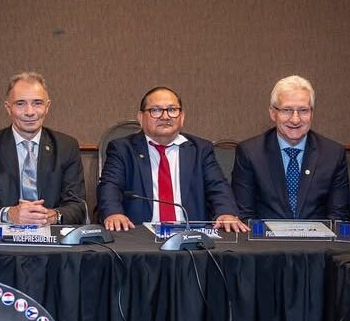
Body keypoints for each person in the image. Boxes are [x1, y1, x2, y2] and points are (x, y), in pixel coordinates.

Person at [96, 86, 247, 232]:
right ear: (141, 118)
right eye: (156, 110)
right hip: (140, 234)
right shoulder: (123, 149)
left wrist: (226, 212)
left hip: (191, 235)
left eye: (172, 110)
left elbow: (217, 186)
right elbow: (110, 186)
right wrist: (113, 213)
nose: (165, 116)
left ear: (182, 117)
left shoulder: (200, 149)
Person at [0, 72, 86, 225]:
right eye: (20, 104)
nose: (30, 112)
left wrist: (52, 216)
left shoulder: (67, 147)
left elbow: (77, 205)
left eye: (37, 103)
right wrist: (9, 214)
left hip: (53, 233)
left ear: (47, 107)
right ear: (8, 108)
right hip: (3, 236)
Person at [231, 75, 350, 221]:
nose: (295, 119)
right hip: (265, 235)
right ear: (273, 113)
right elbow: (245, 216)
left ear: (312, 113)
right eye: (287, 110)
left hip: (318, 236)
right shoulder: (250, 153)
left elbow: (338, 217)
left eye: (303, 110)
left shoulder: (333, 154)